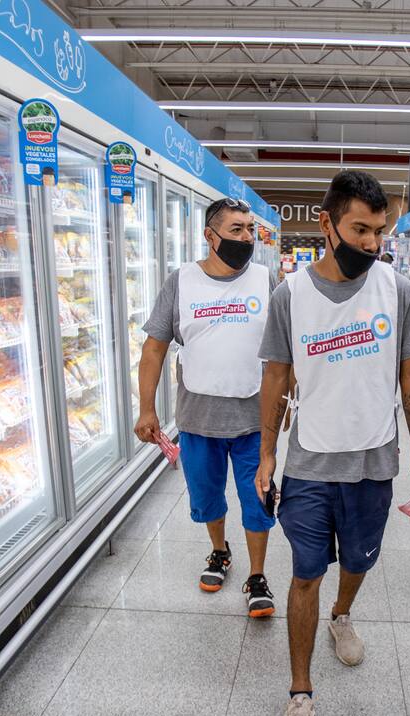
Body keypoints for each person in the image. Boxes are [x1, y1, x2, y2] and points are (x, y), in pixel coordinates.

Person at [255, 170, 410, 716]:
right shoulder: (291, 295)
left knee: (357, 562)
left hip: (373, 463)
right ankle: (301, 696)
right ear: (326, 224)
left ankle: (342, 614)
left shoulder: (399, 291)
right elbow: (276, 376)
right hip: (308, 464)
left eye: (379, 231)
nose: (372, 243)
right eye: (359, 229)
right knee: (305, 570)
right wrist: (265, 454)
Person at [135, 197, 278, 617]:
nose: (246, 238)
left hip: (253, 420)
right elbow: (154, 347)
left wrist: (286, 403)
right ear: (209, 235)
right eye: (236, 230)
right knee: (208, 497)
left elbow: (283, 352)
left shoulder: (266, 280)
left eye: (250, 229)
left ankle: (257, 575)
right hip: (198, 419)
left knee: (259, 500)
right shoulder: (181, 282)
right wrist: (147, 409)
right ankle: (220, 550)